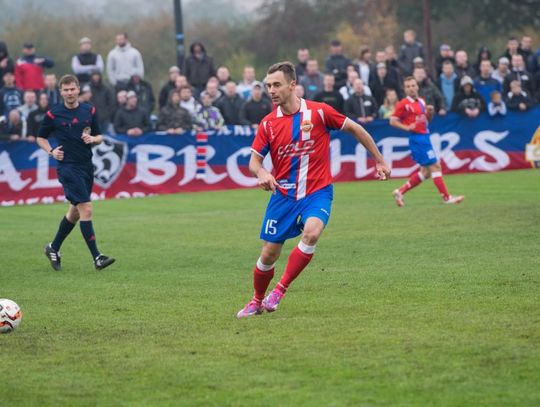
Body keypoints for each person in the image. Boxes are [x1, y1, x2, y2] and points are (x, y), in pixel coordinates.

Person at [236, 61, 390, 318]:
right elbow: (254, 161)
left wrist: (380, 160)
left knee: (312, 233)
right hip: (283, 195)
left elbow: (356, 128)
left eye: (277, 85)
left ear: (292, 85)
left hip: (317, 191)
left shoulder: (319, 112)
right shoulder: (268, 124)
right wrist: (262, 173)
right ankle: (256, 300)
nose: (271, 91)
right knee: (269, 254)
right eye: (268, 86)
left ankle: (280, 290)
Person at [36, 74, 115, 271]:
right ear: (61, 92)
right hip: (67, 167)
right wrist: (51, 151)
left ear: (78, 89)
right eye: (66, 90)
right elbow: (40, 138)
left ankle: (53, 248)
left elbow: (100, 136)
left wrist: (93, 140)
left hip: (86, 166)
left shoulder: (90, 110)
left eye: (73, 89)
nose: (70, 93)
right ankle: (97, 257)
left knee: (74, 212)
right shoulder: (54, 114)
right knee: (86, 208)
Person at [391, 77, 464, 207]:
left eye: (413, 85)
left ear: (417, 86)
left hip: (425, 136)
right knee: (436, 166)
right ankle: (447, 198)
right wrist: (406, 127)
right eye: (407, 86)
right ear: (404, 89)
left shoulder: (421, 101)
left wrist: (430, 113)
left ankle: (400, 192)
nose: (411, 88)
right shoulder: (403, 104)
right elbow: (393, 120)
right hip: (418, 139)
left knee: (426, 172)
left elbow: (426, 121)